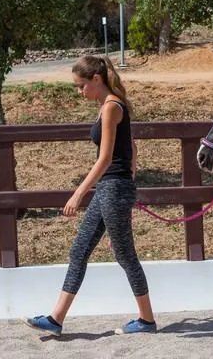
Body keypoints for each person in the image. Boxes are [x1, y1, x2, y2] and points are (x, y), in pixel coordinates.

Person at [26, 55, 156, 336]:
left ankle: (146, 319)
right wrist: (131, 170)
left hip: (112, 188)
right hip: (110, 189)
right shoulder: (107, 106)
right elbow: (130, 146)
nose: (79, 91)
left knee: (124, 255)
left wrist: (78, 194)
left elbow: (105, 158)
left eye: (80, 85)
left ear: (96, 80)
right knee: (80, 250)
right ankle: (56, 318)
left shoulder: (111, 107)